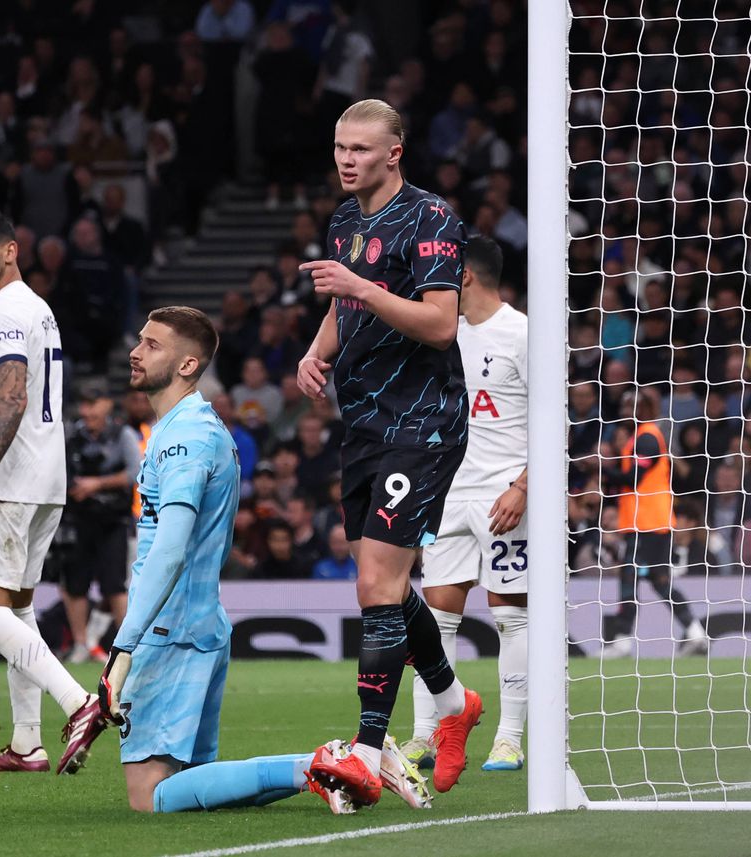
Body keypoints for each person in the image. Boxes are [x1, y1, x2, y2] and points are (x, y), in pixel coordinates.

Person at [96, 306, 431, 814]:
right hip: (199, 624)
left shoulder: (183, 439)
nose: (135, 352)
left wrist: (124, 648)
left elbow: (171, 548)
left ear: (188, 365)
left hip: (169, 631)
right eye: (140, 341)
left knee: (151, 799)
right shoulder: (198, 427)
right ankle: (333, 766)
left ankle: (329, 761)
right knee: (197, 787)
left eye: (152, 345)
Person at [294, 98, 482, 805]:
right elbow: (345, 303)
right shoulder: (347, 220)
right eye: (340, 146)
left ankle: (371, 751)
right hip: (365, 423)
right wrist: (317, 351)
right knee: (386, 584)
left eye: (361, 149)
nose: (347, 159)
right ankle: (455, 700)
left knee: (375, 582)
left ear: (394, 152)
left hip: (424, 420)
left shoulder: (431, 218)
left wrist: (359, 288)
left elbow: (438, 324)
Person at [0, 210, 107, 776]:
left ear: (11, 250)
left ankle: (79, 702)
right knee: (17, 606)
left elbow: (12, 398)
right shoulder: (37, 307)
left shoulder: (5, 310)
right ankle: (26, 745)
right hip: (46, 478)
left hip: (12, 481)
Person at [401, 237, 530, 773]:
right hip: (448, 494)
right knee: (436, 621)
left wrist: (524, 487)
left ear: (466, 277)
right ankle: (425, 736)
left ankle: (510, 738)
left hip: (506, 497)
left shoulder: (524, 334)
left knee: (512, 619)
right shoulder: (438, 336)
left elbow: (559, 422)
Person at [602, 386, 707, 656]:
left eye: (631, 406)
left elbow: (634, 479)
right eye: (624, 406)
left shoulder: (648, 438)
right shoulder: (639, 436)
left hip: (650, 522)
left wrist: (601, 468)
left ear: (646, 409)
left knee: (630, 574)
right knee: (658, 580)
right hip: (644, 521)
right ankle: (695, 631)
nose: (625, 412)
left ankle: (624, 639)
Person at [62, 382, 140, 663]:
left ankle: (127, 647)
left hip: (113, 521)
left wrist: (97, 484)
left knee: (115, 584)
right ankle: (81, 643)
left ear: (107, 404)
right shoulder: (71, 434)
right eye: (84, 404)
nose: (88, 410)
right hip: (78, 519)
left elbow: (135, 472)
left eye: (94, 403)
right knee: (75, 584)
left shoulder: (122, 434)